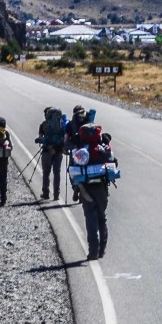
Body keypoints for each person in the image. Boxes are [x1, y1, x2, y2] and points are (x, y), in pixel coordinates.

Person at [74, 123, 114, 260]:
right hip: (102, 187)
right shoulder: (103, 146)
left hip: (86, 188)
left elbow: (73, 169)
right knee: (102, 217)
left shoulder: (80, 148)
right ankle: (102, 250)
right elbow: (113, 160)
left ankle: (93, 252)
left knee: (90, 218)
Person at [36, 106, 64, 201]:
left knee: (46, 173)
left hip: (47, 151)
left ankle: (46, 193)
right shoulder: (61, 125)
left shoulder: (43, 125)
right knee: (57, 173)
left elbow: (40, 139)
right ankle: (56, 194)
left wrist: (46, 145)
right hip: (59, 151)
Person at [64, 104, 91, 201]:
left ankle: (76, 188)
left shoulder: (70, 124)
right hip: (89, 150)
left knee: (72, 170)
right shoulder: (89, 122)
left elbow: (66, 139)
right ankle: (82, 189)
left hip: (76, 152)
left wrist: (66, 146)